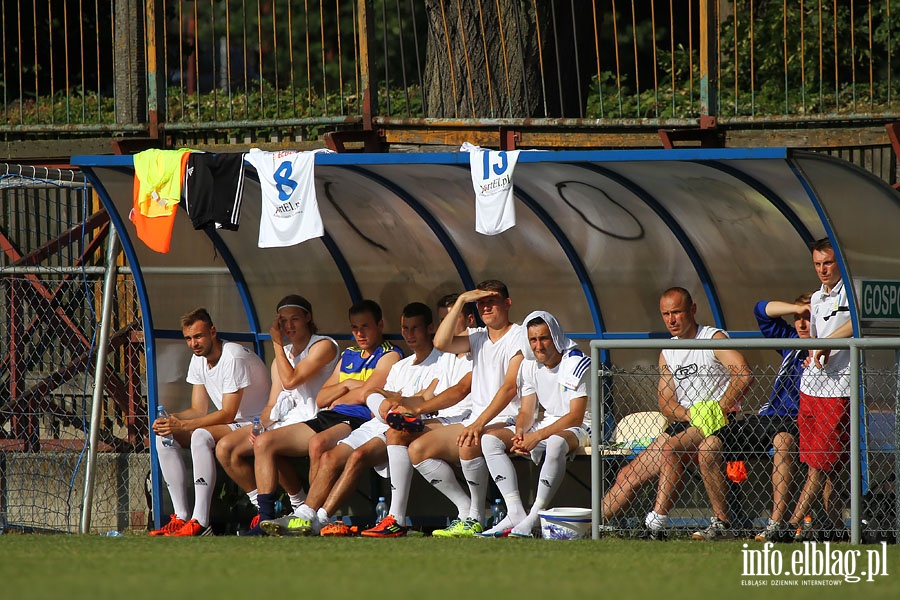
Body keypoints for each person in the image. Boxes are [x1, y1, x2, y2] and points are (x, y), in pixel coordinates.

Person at [259, 302, 443, 537]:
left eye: (365, 326)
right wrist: (350, 387)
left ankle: (317, 517)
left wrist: (353, 390)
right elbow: (323, 398)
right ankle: (298, 514)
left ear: (380, 325)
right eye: (355, 328)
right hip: (346, 417)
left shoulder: (392, 354)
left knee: (327, 447)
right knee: (268, 443)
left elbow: (369, 395)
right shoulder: (355, 355)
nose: (360, 333)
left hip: (368, 419)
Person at [406, 280, 524, 538]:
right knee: (417, 450)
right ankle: (469, 510)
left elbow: (509, 388)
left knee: (468, 442)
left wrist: (478, 424)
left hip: (510, 420)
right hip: (478, 420)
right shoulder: (477, 337)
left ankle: (476, 517)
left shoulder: (519, 335)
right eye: (481, 302)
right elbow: (440, 343)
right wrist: (461, 301)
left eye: (491, 301)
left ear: (507, 303)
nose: (486, 307)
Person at [691, 294, 811, 541]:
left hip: (798, 419)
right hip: (768, 416)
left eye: (808, 318)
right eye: (797, 318)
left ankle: (776, 525)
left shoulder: (830, 346)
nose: (801, 324)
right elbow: (761, 310)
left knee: (783, 442)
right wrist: (797, 307)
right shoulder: (791, 340)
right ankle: (722, 523)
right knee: (709, 446)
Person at [215, 295, 339, 529]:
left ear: (308, 318)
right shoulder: (282, 357)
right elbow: (272, 404)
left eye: (294, 319)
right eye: (283, 321)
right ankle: (286, 504)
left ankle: (267, 517)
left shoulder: (323, 345)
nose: (288, 326)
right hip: (286, 421)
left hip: (317, 420)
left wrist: (276, 344)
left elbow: (291, 381)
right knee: (226, 448)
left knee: (266, 444)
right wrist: (260, 425)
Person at [360, 293, 476, 538]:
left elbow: (459, 391)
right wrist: (394, 400)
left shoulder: (477, 350)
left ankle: (469, 512)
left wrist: (417, 410)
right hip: (445, 420)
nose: (447, 326)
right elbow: (427, 395)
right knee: (400, 434)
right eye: (443, 320)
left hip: (471, 420)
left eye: (451, 319)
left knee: (401, 437)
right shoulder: (445, 358)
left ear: (469, 321)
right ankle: (399, 518)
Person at [642, 287, 753, 539]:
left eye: (677, 312)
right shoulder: (667, 351)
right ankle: (592, 524)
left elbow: (744, 375)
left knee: (672, 448)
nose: (671, 320)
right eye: (665, 314)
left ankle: (657, 523)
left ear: (692, 310)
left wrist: (718, 409)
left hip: (723, 424)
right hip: (688, 422)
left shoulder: (712, 339)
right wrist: (692, 414)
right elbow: (666, 404)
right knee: (628, 476)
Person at [150, 308, 271, 536]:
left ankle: (201, 520)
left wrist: (186, 426)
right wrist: (173, 420)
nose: (194, 343)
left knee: (200, 435)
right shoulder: (199, 360)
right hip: (235, 424)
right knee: (164, 435)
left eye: (198, 336)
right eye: (188, 338)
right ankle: (181, 517)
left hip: (258, 423)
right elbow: (198, 409)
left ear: (212, 331)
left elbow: (228, 413)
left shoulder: (232, 356)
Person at [478, 311, 591, 538]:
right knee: (489, 440)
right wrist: (521, 433)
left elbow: (576, 417)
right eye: (533, 339)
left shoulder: (576, 362)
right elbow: (527, 410)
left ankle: (535, 515)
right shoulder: (529, 364)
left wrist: (537, 436)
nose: (539, 346)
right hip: (547, 425)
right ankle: (515, 512)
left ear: (556, 337)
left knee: (556, 442)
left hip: (585, 427)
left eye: (544, 338)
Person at [786, 238, 853, 541]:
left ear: (839, 261)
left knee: (821, 462)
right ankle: (834, 527)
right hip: (812, 387)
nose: (823, 270)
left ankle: (788, 525)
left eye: (828, 262)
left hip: (839, 387)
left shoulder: (852, 290)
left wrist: (829, 343)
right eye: (817, 264)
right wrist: (811, 354)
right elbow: (813, 336)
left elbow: (858, 321)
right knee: (821, 463)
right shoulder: (815, 298)